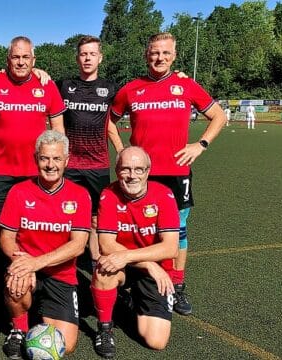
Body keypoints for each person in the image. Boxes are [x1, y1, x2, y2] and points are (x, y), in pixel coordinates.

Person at [109, 32, 226, 316]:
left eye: (165, 53)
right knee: (135, 228)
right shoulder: (131, 89)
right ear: (146, 55)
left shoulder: (185, 85)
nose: (159, 58)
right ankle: (130, 282)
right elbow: (109, 123)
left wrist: (200, 145)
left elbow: (219, 116)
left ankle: (177, 284)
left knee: (178, 231)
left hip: (176, 172)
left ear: (174, 55)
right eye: (154, 53)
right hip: (142, 175)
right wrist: (124, 152)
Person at [0, 130, 90, 359]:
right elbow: (6, 238)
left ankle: (41, 310)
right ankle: (18, 329)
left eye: (57, 159)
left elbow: (78, 245)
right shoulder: (18, 192)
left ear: (66, 161)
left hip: (61, 274)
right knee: (15, 280)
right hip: (25, 268)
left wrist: (35, 263)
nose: (50, 165)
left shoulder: (79, 195)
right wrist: (21, 263)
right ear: (36, 159)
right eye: (44, 158)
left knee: (66, 345)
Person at [90, 146, 180, 358]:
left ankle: (124, 301)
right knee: (104, 271)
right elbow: (106, 244)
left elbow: (171, 248)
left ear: (148, 171)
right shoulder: (109, 195)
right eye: (126, 169)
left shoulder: (164, 195)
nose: (132, 176)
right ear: (117, 170)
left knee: (155, 341)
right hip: (134, 265)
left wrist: (130, 257)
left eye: (139, 169)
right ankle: (104, 329)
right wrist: (148, 263)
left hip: (154, 271)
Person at [0, 36, 66, 232]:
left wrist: (59, 163)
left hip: (37, 171)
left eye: (26, 57)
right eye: (16, 57)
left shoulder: (46, 85)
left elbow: (59, 130)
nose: (20, 62)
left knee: (33, 227)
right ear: (8, 59)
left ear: (33, 60)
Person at [56, 35, 124, 273]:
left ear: (100, 58)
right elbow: (35, 84)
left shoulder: (110, 89)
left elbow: (113, 122)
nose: (87, 58)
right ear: (77, 58)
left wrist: (121, 151)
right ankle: (63, 258)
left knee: (96, 217)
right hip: (69, 164)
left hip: (97, 165)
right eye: (83, 54)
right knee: (65, 213)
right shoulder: (63, 85)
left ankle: (94, 258)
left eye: (92, 54)